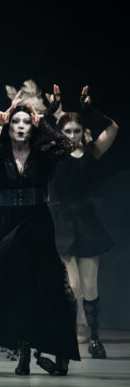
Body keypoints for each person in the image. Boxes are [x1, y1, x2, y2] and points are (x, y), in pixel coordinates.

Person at [0, 89, 80, 376]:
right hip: (7, 221)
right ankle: (23, 353)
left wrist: (43, 124)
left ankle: (59, 353)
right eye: (16, 121)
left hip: (37, 220)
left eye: (26, 122)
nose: (21, 126)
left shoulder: (42, 153)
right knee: (16, 288)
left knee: (48, 285)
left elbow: (69, 145)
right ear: (9, 127)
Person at [47, 84, 118, 358]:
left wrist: (89, 110)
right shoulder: (52, 153)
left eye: (77, 131)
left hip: (86, 222)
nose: (72, 135)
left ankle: (94, 338)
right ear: (60, 132)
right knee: (73, 285)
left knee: (89, 286)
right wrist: (52, 111)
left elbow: (113, 129)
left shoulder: (90, 151)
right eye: (67, 131)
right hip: (62, 221)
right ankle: (63, 334)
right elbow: (38, 134)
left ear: (82, 132)